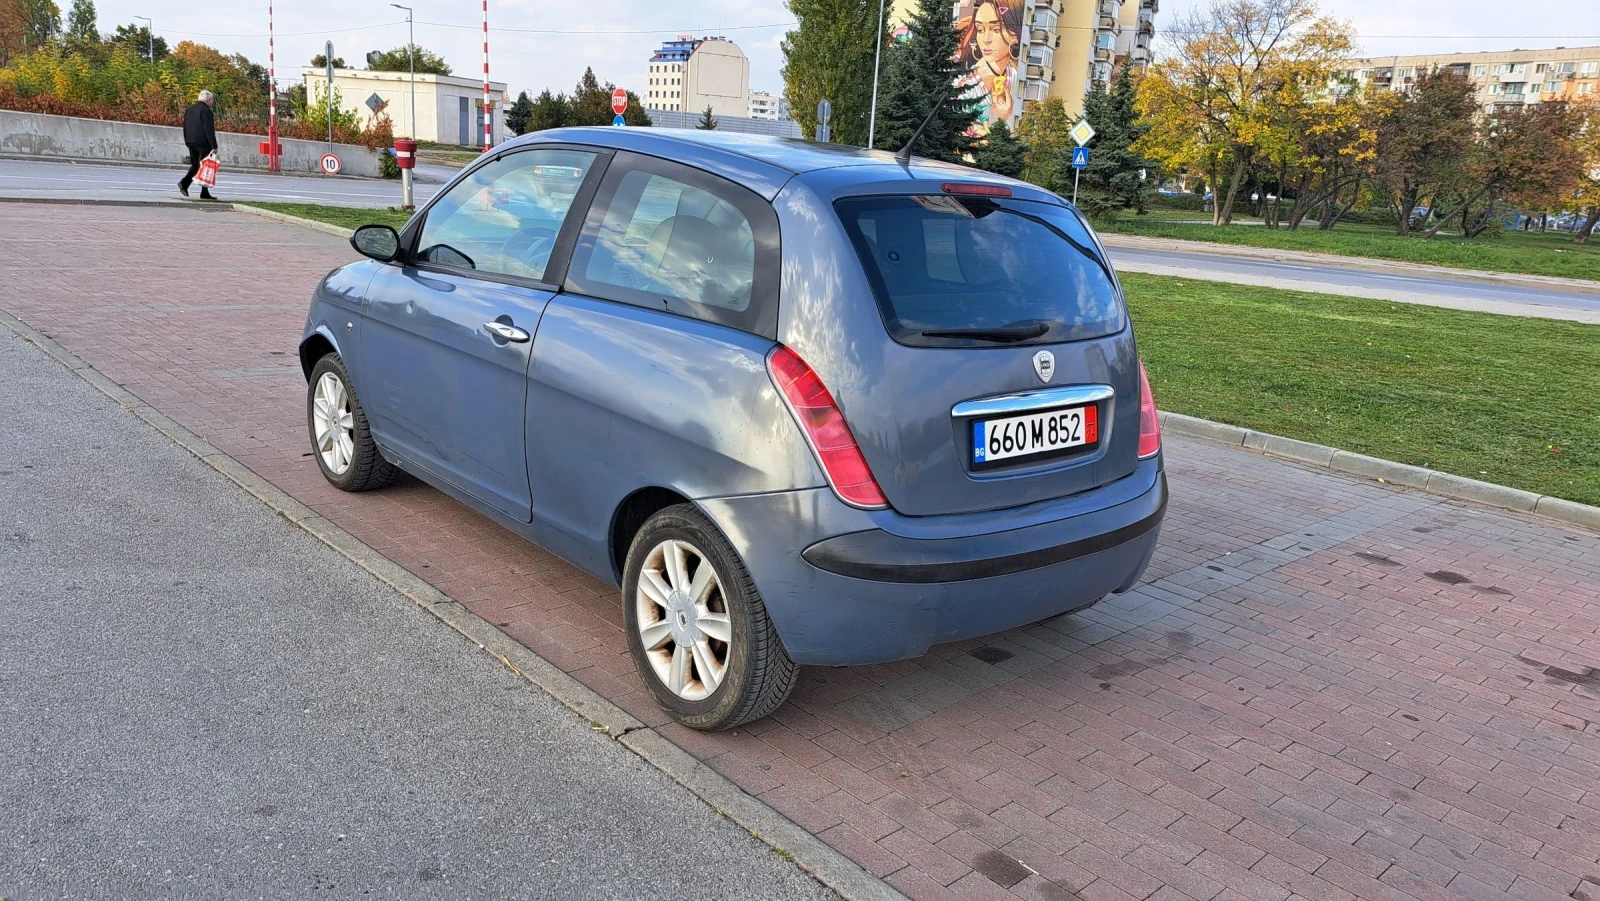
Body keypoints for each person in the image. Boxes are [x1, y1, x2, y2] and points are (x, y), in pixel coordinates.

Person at [954, 0, 1023, 137]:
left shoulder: (1014, 77)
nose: (986, 39)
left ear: (1016, 33)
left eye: (996, 29)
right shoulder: (964, 86)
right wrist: (995, 119)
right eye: (980, 30)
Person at [178, 90, 219, 200]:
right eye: (212, 100)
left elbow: (185, 126)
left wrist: (187, 141)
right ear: (208, 99)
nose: (212, 102)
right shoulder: (206, 111)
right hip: (203, 143)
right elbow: (208, 129)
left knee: (197, 165)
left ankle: (188, 185)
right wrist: (214, 146)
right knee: (205, 167)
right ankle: (187, 184)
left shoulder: (190, 109)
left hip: (191, 142)